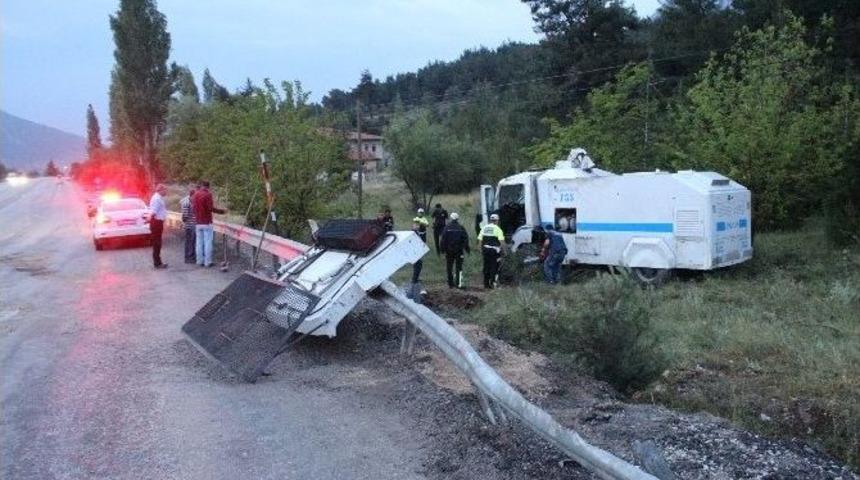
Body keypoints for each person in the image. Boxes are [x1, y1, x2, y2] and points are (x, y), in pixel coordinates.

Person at [192, 180, 227, 268]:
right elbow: (210, 208)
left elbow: (194, 208)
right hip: (206, 222)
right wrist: (222, 211)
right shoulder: (208, 195)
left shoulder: (195, 194)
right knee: (208, 242)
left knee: (199, 242)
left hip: (198, 222)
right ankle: (208, 262)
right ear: (208, 187)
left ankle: (199, 261)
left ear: (201, 185)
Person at [439, 212, 470, 288]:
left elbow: (443, 240)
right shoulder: (461, 227)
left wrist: (442, 250)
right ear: (457, 219)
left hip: (449, 251)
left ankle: (450, 284)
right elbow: (465, 239)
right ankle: (458, 284)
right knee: (459, 267)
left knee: (449, 266)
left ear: (451, 218)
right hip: (459, 250)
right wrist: (466, 249)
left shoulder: (446, 228)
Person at [477, 213, 505, 289]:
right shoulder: (498, 229)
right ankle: (492, 283)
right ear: (497, 221)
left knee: (486, 266)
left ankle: (486, 284)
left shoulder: (484, 228)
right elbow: (502, 242)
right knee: (494, 267)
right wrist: (504, 251)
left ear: (490, 220)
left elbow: (480, 240)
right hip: (494, 251)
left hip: (485, 250)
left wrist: (480, 250)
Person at [148, 184, 168, 269]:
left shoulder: (157, 197)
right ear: (160, 190)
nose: (166, 192)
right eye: (165, 190)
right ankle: (157, 263)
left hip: (156, 222)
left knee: (157, 243)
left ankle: (158, 262)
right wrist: (150, 219)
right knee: (157, 243)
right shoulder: (157, 199)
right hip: (156, 222)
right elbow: (154, 212)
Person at [179, 185, 196, 264]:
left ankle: (190, 257)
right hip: (189, 226)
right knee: (189, 242)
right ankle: (189, 258)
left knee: (191, 242)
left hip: (192, 225)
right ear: (191, 195)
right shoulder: (186, 203)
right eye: (194, 196)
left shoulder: (190, 201)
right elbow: (184, 217)